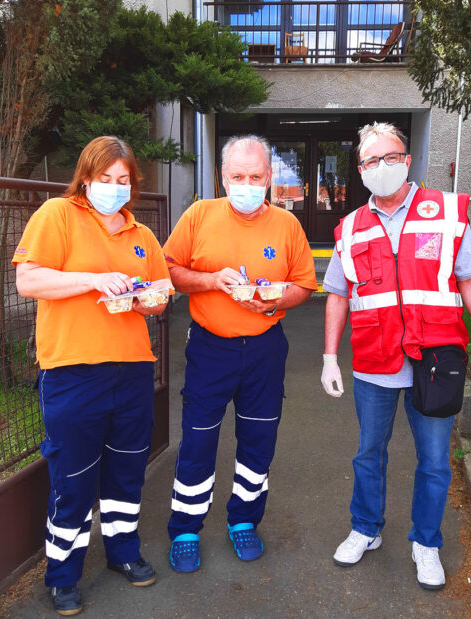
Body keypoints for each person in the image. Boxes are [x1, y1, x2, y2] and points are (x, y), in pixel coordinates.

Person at [320, 122, 471, 590]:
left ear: (407, 158)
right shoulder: (350, 227)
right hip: (375, 360)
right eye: (370, 161)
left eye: (390, 156)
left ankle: (426, 543)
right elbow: (339, 296)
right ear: (360, 169)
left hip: (435, 361)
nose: (381, 167)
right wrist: (328, 356)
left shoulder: (444, 211)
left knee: (436, 462)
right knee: (368, 454)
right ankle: (366, 529)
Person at [13, 136, 172, 616]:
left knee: (126, 471)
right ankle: (62, 574)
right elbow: (27, 280)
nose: (115, 187)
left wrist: (150, 300)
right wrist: (91, 279)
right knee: (74, 476)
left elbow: (162, 295)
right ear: (86, 177)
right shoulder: (57, 215)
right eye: (105, 178)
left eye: (123, 180)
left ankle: (124, 553)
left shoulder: (141, 235)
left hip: (132, 369)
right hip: (72, 371)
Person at [160, 135, 316, 573]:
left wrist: (275, 300)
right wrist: (210, 281)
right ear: (222, 178)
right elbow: (169, 270)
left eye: (255, 176)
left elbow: (304, 285)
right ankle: (186, 528)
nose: (246, 184)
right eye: (237, 176)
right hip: (210, 347)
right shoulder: (199, 215)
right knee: (198, 438)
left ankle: (244, 519)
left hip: (265, 348)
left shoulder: (287, 226)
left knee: (258, 441)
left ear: (269, 177)